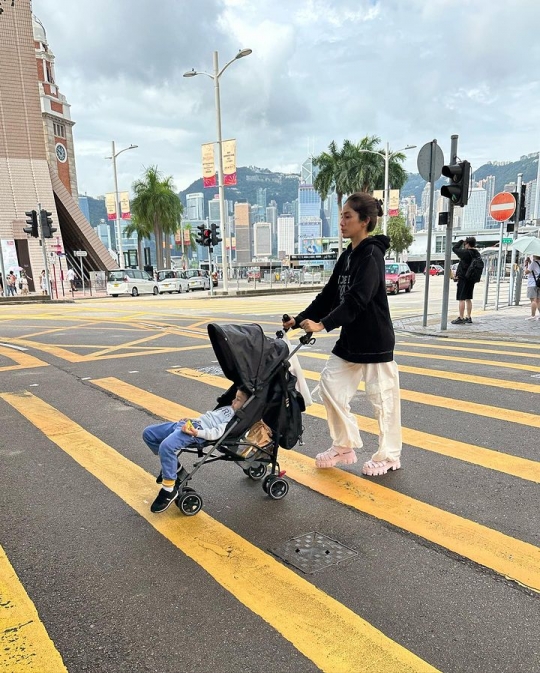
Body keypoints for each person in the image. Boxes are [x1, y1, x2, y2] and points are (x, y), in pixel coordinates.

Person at [283, 192, 402, 477]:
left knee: (383, 400)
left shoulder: (372, 254)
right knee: (330, 386)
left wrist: (323, 325)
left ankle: (389, 456)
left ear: (365, 221)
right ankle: (344, 445)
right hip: (351, 340)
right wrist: (299, 319)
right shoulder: (348, 255)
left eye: (348, 216)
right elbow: (329, 295)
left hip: (375, 340)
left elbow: (358, 299)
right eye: (341, 216)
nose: (342, 222)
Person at [143, 388, 249, 512]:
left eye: (238, 400)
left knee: (166, 447)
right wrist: (191, 421)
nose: (233, 400)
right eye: (235, 397)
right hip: (190, 424)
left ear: (246, 406)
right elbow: (207, 418)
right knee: (149, 434)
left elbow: (216, 433)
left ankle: (169, 489)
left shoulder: (234, 419)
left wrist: (197, 432)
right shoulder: (228, 408)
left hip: (195, 433)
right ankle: (175, 467)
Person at [451, 237, 480, 325]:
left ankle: (461, 317)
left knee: (461, 298)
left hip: (463, 278)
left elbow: (454, 248)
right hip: (471, 279)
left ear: (467, 244)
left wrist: (460, 241)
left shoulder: (465, 253)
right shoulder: (477, 253)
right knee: (468, 298)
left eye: (465, 244)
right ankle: (468, 317)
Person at [524, 255, 540, 320]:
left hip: (533, 283)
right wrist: (530, 262)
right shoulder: (534, 263)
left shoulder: (533, 263)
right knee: (539, 300)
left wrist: (526, 264)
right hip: (539, 283)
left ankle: (533, 315)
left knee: (533, 300)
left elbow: (526, 272)